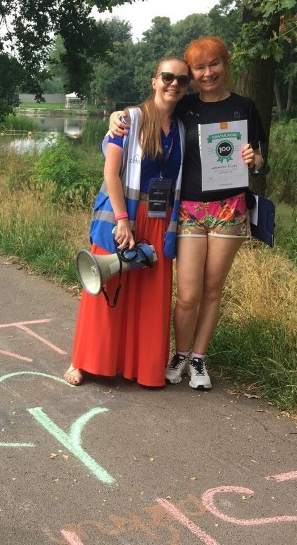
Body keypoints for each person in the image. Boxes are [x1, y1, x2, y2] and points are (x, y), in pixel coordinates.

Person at [108, 36, 267, 390]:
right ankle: (179, 354)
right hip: (190, 209)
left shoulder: (245, 107)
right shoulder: (185, 106)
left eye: (214, 64)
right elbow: (152, 109)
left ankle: (198, 358)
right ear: (192, 73)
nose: (207, 73)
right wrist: (117, 116)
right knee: (189, 292)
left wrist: (255, 162)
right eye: (199, 68)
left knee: (213, 289)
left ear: (226, 65)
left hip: (230, 207)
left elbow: (259, 159)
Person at [63, 57, 189, 388]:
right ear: (154, 81)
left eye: (181, 80)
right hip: (125, 213)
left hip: (160, 219)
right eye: (167, 76)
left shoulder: (182, 128)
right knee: (107, 289)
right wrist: (122, 220)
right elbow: (110, 172)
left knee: (150, 296)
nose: (174, 83)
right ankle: (84, 361)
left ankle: (142, 367)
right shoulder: (130, 119)